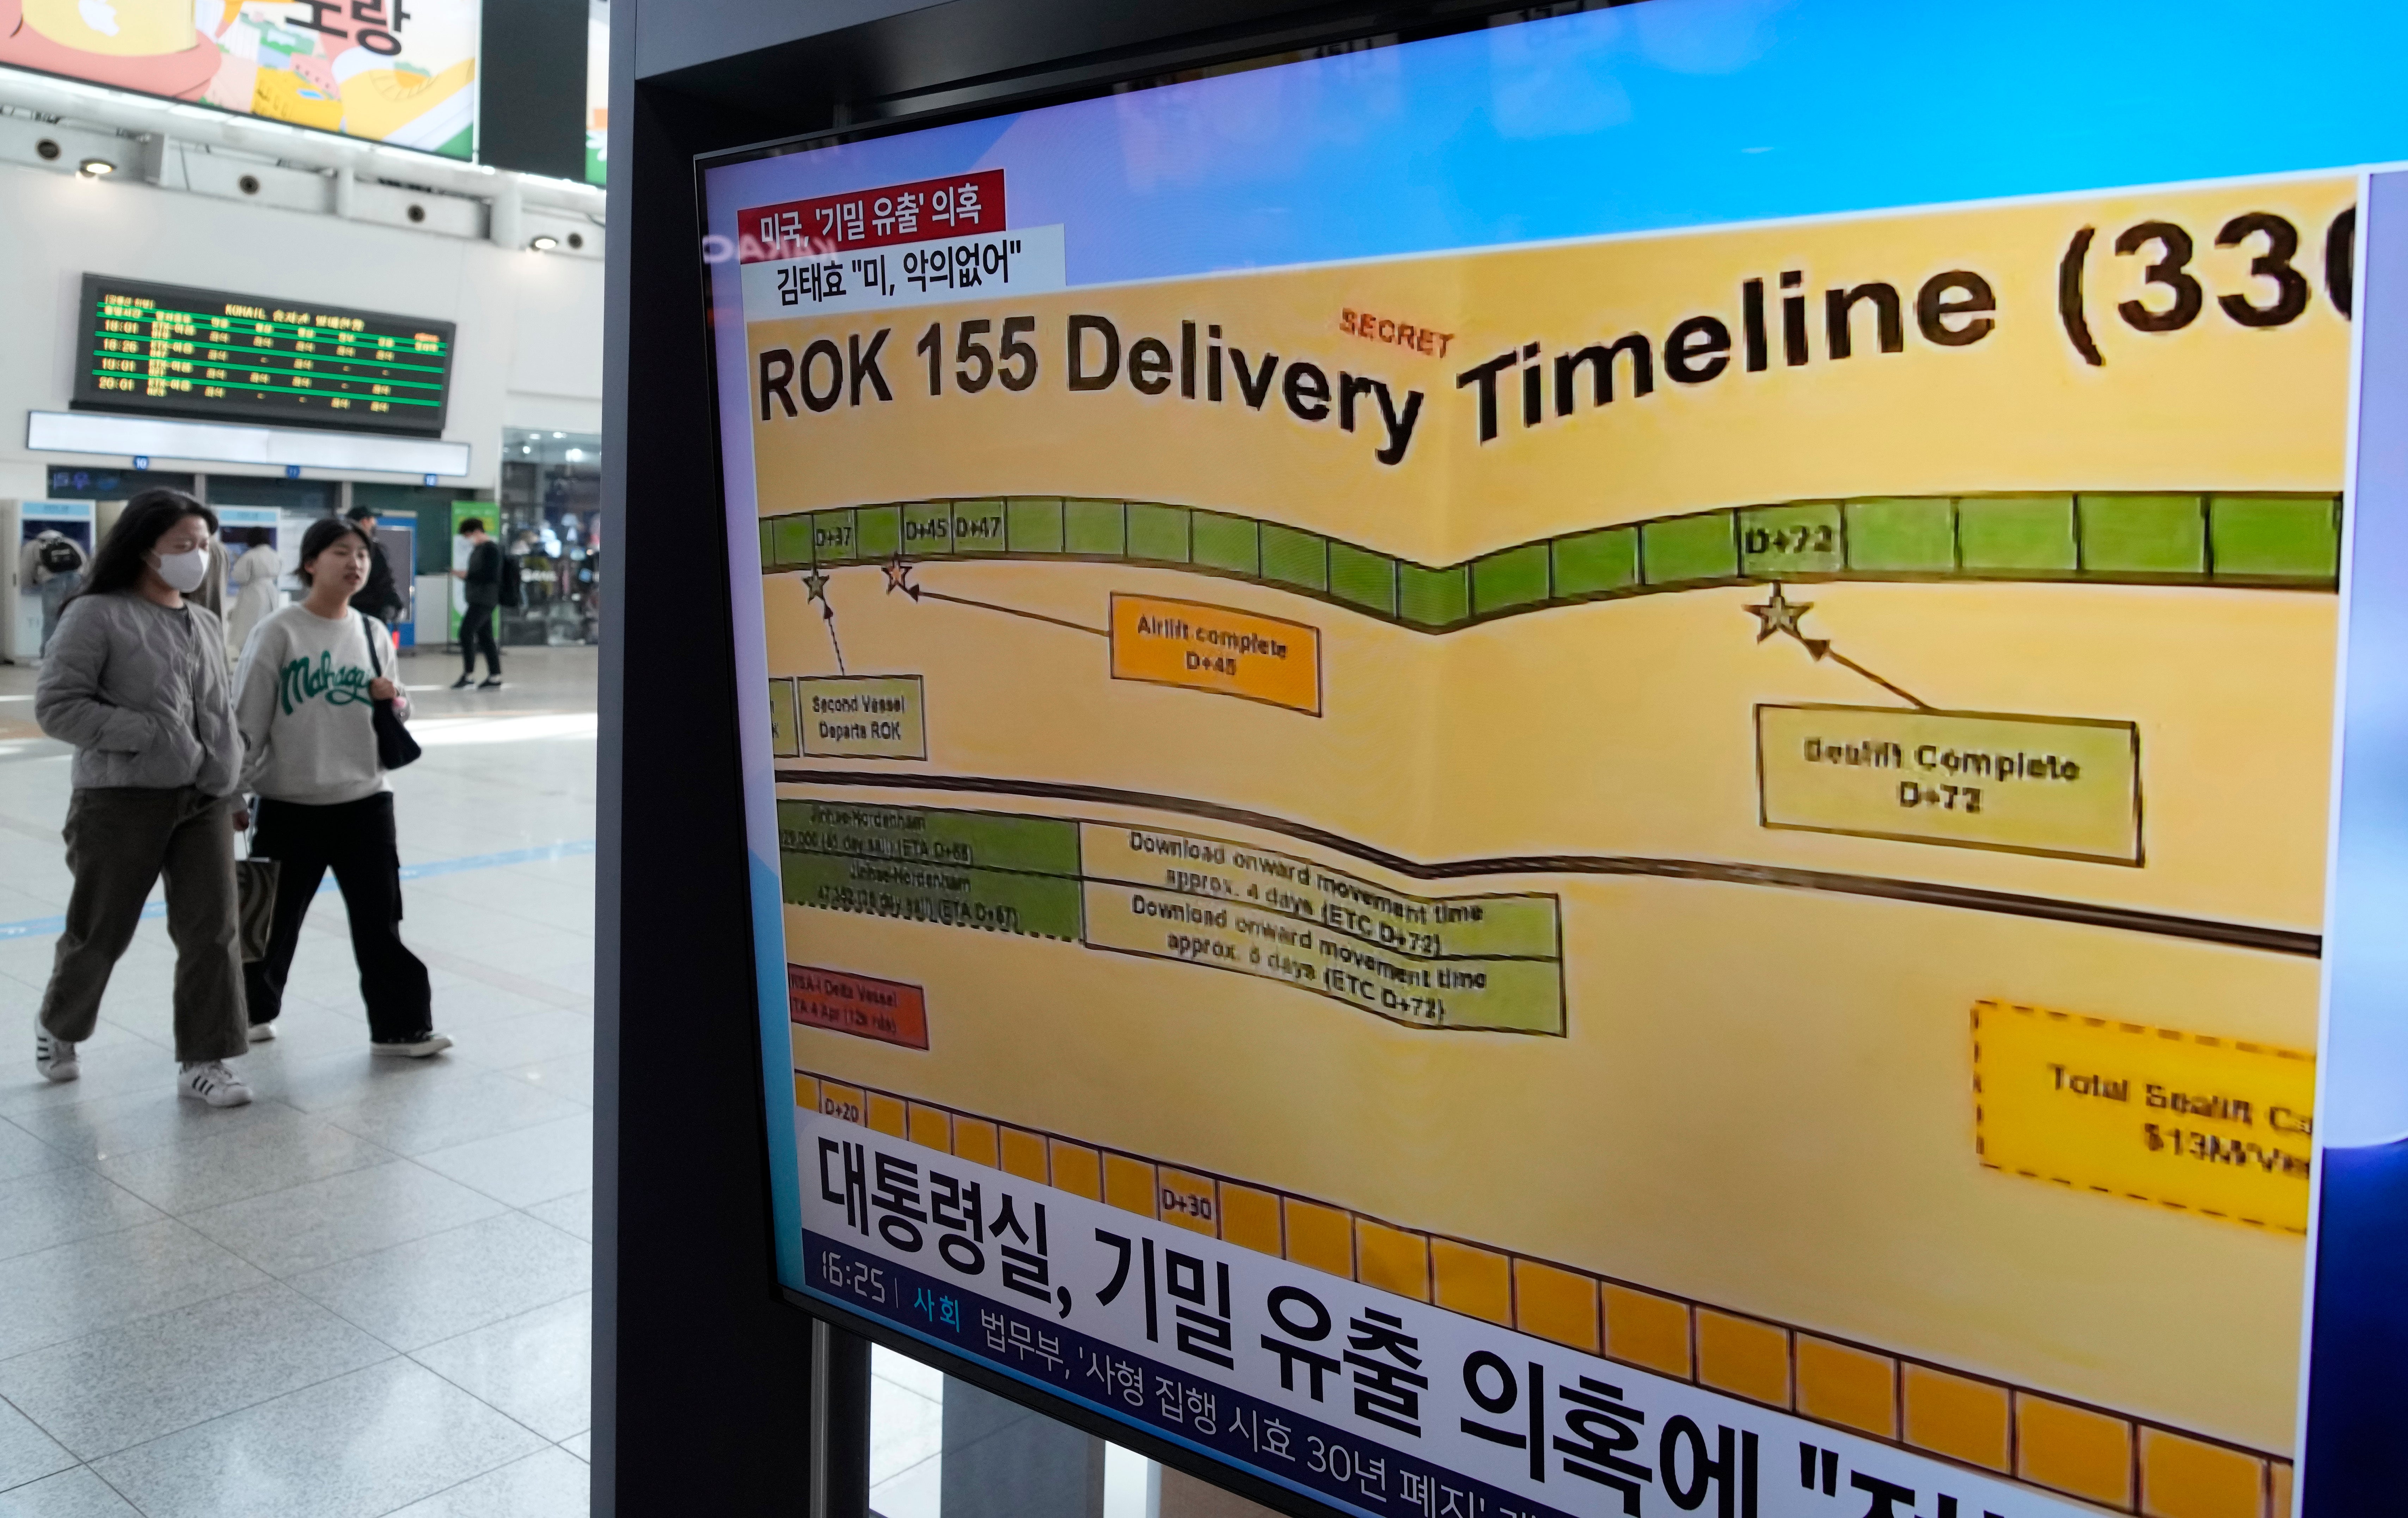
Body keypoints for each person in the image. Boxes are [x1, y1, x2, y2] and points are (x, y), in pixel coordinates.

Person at [31, 490, 251, 1107]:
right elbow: (57, 706)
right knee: (101, 932)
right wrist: (150, 735)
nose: (196, 557)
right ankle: (60, 1024)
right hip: (121, 798)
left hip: (204, 798)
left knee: (212, 932)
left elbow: (220, 712)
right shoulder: (96, 614)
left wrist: (234, 782)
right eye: (183, 545)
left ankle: (205, 1060)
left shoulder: (205, 621)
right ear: (144, 547)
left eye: (204, 546)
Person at [233, 517, 448, 1056]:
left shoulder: (373, 631)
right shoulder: (279, 630)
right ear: (310, 563)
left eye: (362, 555)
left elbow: (401, 707)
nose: (355, 563)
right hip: (288, 803)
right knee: (272, 922)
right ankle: (250, 1012)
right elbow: (247, 719)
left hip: (366, 801)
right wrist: (232, 792)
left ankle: (401, 1027)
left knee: (381, 919)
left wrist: (394, 695)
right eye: (340, 552)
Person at [450, 517, 503, 690]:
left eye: (468, 535)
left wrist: (465, 576)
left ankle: (469, 675)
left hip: (484, 599)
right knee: (486, 638)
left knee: (466, 633)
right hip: (479, 598)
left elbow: (490, 576)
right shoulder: (479, 549)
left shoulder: (491, 550)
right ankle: (495, 677)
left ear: (476, 532)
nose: (467, 540)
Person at [21, 528, 87, 655]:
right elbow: (84, 562)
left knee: (51, 620)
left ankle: (48, 655)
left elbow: (26, 569)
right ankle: (72, 654)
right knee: (74, 618)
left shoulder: (34, 545)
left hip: (53, 583)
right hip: (76, 581)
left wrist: (27, 586)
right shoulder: (70, 542)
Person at [344, 503, 407, 628]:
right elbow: (384, 580)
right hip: (371, 613)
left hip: (345, 611)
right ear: (365, 521)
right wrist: (396, 604)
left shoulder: (339, 546)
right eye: (373, 519)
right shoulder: (373, 549)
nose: (375, 523)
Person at [225, 538, 284, 660]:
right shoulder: (275, 555)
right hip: (271, 592)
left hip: (253, 592)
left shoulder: (250, 555)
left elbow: (240, 576)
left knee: (248, 624)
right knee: (267, 623)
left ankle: (247, 655)